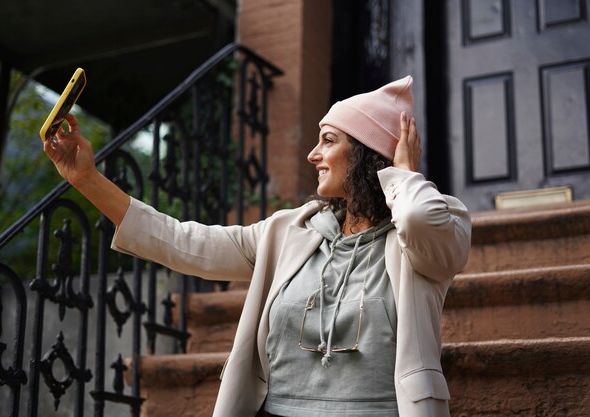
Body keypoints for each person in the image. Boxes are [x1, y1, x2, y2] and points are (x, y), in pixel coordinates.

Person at [44, 75, 471, 417]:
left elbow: (416, 217)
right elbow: (182, 241)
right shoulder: (288, 231)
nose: (311, 154)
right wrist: (87, 180)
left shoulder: (433, 229)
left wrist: (404, 172)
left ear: (367, 154)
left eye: (328, 139)